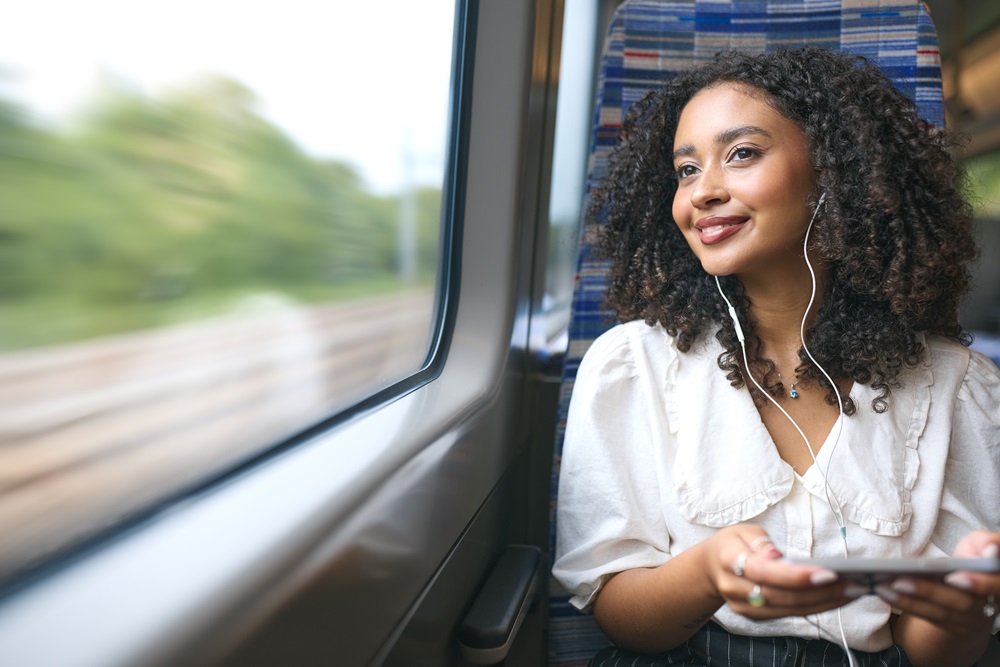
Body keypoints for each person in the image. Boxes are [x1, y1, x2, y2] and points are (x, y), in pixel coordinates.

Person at [552, 46, 1000, 667]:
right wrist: (709, 571)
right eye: (685, 170)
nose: (703, 191)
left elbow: (930, 653)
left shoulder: (956, 388)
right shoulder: (633, 369)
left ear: (832, 171)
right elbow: (626, 625)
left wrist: (967, 606)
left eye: (741, 154)